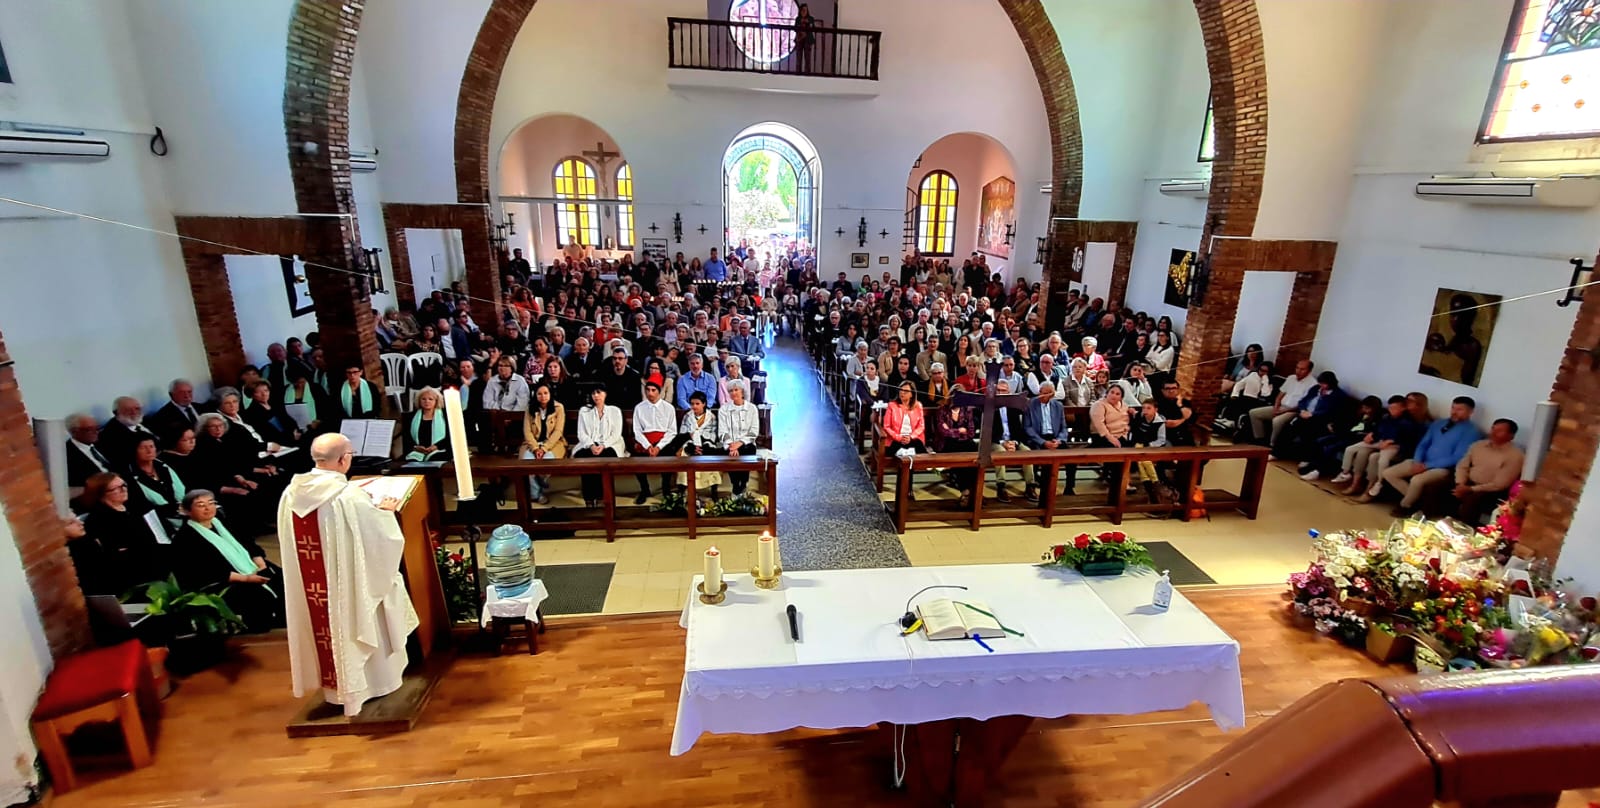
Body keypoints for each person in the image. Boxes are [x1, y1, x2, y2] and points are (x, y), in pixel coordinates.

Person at [276, 434, 418, 716]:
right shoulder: (348, 497)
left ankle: (336, 690)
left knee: (326, 628)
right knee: (362, 615)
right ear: (343, 459)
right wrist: (386, 513)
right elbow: (382, 541)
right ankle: (374, 685)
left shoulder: (290, 494)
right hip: (348, 589)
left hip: (313, 590)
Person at [175, 489, 284, 633]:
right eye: (201, 505)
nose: (208, 508)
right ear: (188, 511)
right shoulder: (185, 538)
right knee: (257, 595)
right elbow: (205, 571)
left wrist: (260, 563)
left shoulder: (223, 523)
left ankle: (284, 618)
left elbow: (249, 543)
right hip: (222, 580)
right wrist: (245, 579)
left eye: (211, 503)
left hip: (248, 566)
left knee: (281, 578)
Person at [1380, 396, 1483, 515]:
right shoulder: (1439, 423)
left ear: (1470, 412)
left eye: (1459, 409)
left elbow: (1457, 457)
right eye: (1453, 408)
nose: (1454, 412)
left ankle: (1406, 505)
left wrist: (1427, 466)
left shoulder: (1472, 431)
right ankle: (1417, 501)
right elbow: (1423, 444)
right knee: (1388, 473)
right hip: (1422, 461)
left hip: (1443, 468)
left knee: (1417, 480)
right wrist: (1418, 461)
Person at [78, 472, 170, 594]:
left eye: (124, 485)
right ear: (101, 493)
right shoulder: (99, 519)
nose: (124, 489)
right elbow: (116, 553)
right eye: (116, 488)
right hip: (130, 575)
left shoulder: (132, 509)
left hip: (153, 562)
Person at [1273, 371, 1350, 474]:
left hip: (1320, 420)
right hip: (1304, 415)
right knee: (1290, 427)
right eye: (1320, 383)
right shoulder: (1315, 389)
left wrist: (1312, 414)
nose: (1321, 386)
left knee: (1309, 432)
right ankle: (1276, 453)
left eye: (1324, 384)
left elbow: (1331, 412)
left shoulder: (1338, 396)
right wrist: (1303, 410)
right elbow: (1303, 401)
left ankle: (1306, 459)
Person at [1453, 419, 1525, 522]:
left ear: (1511, 436)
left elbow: (1499, 484)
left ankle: (1463, 528)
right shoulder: (1478, 445)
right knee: (1439, 486)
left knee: (1473, 500)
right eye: (1493, 429)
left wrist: (1471, 489)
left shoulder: (1516, 455)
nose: (1493, 433)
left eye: (1499, 431)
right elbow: (1462, 466)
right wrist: (1460, 483)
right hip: (1467, 483)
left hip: (1491, 491)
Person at [1336, 396, 1409, 497]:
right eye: (1390, 408)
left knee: (1380, 459)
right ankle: (1348, 476)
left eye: (1394, 408)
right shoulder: (1386, 418)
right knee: (1353, 449)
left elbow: (1406, 438)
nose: (1391, 410)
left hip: (1393, 446)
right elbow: (1378, 431)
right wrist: (1371, 436)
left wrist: (1391, 441)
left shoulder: (1407, 422)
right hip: (1379, 442)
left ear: (1403, 408)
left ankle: (1379, 483)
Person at [575, 386, 625, 508]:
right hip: (589, 444)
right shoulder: (584, 411)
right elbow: (581, 433)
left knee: (605, 459)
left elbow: (616, 434)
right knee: (585, 459)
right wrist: (591, 445)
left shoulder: (615, 411)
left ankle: (602, 497)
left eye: (599, 392)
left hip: (610, 444)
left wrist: (603, 446)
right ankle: (589, 498)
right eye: (593, 393)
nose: (596, 396)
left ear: (605, 394)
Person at [519, 382, 567, 505]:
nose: (543, 396)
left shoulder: (558, 408)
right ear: (535, 395)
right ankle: (536, 495)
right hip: (532, 444)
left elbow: (558, 431)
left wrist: (544, 448)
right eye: (539, 394)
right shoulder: (529, 408)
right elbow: (527, 431)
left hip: (553, 444)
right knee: (527, 464)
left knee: (546, 463)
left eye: (546, 393)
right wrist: (535, 448)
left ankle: (541, 480)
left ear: (550, 394)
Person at [632, 380, 678, 504]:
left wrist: (658, 447)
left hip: (663, 442)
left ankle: (666, 489)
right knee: (636, 459)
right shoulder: (639, 408)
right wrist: (648, 446)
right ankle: (644, 490)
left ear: (659, 391)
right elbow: (637, 431)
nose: (650, 393)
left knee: (668, 455)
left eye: (653, 390)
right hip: (645, 441)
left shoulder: (668, 408)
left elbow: (672, 431)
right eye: (648, 390)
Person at [1248, 359, 1315, 446]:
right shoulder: (1291, 378)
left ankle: (1272, 444)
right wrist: (1276, 407)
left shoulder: (1312, 384)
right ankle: (1260, 440)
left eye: (1302, 369)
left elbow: (1303, 404)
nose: (1298, 371)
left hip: (1293, 411)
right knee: (1254, 413)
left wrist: (1283, 411)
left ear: (1309, 371)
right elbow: (1279, 396)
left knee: (1277, 421)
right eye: (1297, 368)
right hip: (1280, 407)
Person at [128, 435, 187, 532]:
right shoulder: (130, 476)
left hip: (183, 512)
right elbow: (143, 507)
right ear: (134, 451)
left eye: (151, 446)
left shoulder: (164, 466)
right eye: (143, 448)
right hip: (159, 521)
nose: (149, 451)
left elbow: (182, 492)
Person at [1024, 381, 1071, 499]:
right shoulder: (1030, 404)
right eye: (1043, 393)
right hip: (1038, 439)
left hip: (1054, 438)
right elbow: (1028, 428)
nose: (1045, 395)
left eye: (1049, 393)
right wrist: (1043, 442)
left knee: (1072, 457)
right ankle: (1033, 488)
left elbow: (1064, 427)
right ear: (1039, 392)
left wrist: (1059, 440)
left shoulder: (1058, 406)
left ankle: (1069, 488)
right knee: (1036, 455)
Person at [676, 391, 723, 497]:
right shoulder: (687, 416)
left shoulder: (711, 417)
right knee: (683, 455)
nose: (694, 406)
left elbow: (713, 434)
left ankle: (713, 490)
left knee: (711, 459)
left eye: (697, 404)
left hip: (706, 445)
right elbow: (682, 433)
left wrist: (703, 445)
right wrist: (691, 446)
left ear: (704, 404)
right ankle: (683, 490)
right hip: (690, 444)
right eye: (692, 404)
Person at [719, 383, 761, 496]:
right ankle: (736, 486)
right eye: (731, 391)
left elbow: (754, 431)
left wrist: (740, 443)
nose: (733, 393)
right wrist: (732, 446)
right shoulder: (723, 409)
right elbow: (722, 432)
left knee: (746, 451)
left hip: (747, 444)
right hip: (730, 445)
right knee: (730, 455)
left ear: (742, 391)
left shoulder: (752, 408)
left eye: (736, 390)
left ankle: (743, 484)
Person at [98, 396, 161, 470]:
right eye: (128, 410)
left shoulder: (147, 421)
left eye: (137, 408)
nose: (134, 412)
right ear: (116, 412)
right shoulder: (110, 434)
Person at [1216, 361, 1275, 433]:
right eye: (1261, 370)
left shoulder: (1269, 382)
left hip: (1258, 400)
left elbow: (1265, 394)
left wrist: (1265, 381)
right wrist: (1235, 394)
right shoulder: (1253, 375)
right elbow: (1239, 384)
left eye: (1265, 371)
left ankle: (1232, 421)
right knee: (1234, 398)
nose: (1261, 372)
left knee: (1245, 402)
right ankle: (1226, 418)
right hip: (1246, 396)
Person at [150, 378, 210, 445]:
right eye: (181, 392)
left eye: (189, 392)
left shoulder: (203, 408)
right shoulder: (162, 416)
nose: (186, 396)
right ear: (171, 395)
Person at [402, 387, 452, 462]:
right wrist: (416, 447)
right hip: (417, 451)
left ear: (436, 401)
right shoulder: (410, 417)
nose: (427, 401)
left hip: (439, 450)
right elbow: (407, 438)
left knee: (435, 459)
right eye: (423, 399)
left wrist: (436, 446)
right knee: (411, 462)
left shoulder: (445, 416)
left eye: (430, 399)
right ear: (419, 401)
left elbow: (449, 437)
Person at [65, 413, 113, 489]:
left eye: (97, 428)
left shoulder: (104, 444)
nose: (96, 432)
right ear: (74, 431)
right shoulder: (67, 454)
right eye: (89, 429)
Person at [883, 382, 927, 458]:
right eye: (901, 390)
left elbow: (921, 426)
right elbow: (886, 426)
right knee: (900, 453)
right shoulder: (892, 406)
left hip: (913, 438)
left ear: (912, 394)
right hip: (896, 439)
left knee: (920, 451)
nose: (902, 392)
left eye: (906, 391)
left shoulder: (918, 406)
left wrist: (911, 437)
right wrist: (899, 437)